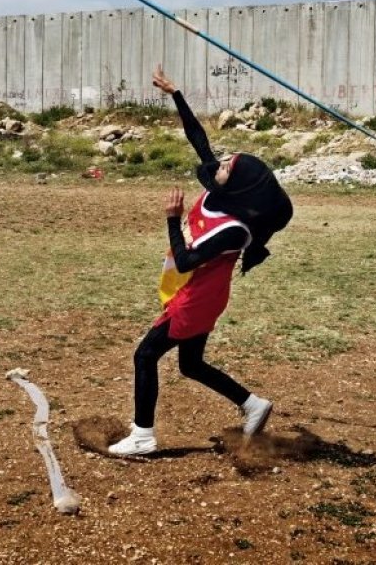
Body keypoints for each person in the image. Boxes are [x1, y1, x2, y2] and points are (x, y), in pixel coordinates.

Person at [108, 66, 294, 457]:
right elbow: (199, 140)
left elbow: (189, 258)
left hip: (198, 296)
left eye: (229, 166)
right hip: (200, 291)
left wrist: (173, 219)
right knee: (191, 364)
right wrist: (176, 93)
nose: (221, 164)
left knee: (145, 355)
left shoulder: (234, 228)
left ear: (240, 185)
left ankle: (143, 435)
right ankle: (252, 404)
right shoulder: (223, 193)